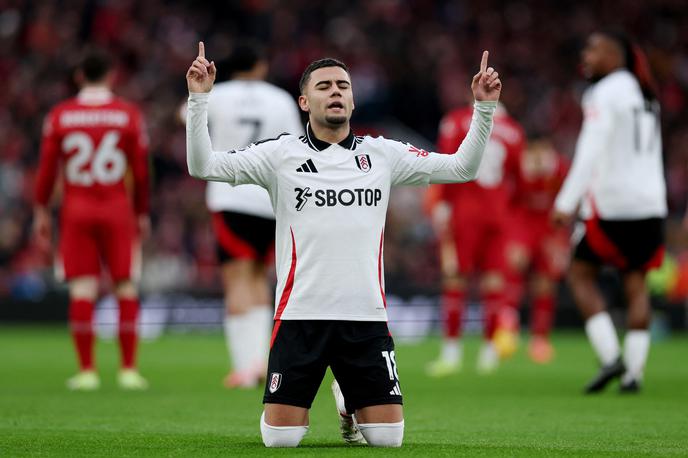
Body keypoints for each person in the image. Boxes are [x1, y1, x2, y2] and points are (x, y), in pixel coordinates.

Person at [186, 42, 501, 447]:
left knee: (388, 439)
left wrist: (484, 108)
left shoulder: (383, 154)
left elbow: (462, 167)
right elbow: (203, 165)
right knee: (280, 440)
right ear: (304, 101)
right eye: (324, 86)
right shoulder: (279, 155)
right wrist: (199, 99)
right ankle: (336, 396)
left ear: (352, 99)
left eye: (343, 85)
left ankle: (346, 401)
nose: (335, 91)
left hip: (365, 319)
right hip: (299, 317)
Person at [552, 30, 666, 393]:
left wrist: (565, 203)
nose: (585, 54)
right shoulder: (646, 94)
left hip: (611, 203)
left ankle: (609, 356)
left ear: (615, 55)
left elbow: (590, 149)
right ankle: (634, 374)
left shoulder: (603, 92)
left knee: (580, 274)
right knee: (636, 285)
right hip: (650, 204)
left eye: (594, 49)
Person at [33, 48, 150, 391]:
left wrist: (41, 209)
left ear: (79, 76)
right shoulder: (128, 114)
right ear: (111, 76)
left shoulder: (60, 115)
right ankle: (128, 370)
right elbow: (140, 172)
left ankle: (87, 372)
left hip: (77, 209)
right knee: (125, 285)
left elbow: (46, 170)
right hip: (117, 208)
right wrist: (142, 212)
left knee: (82, 289)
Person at [201, 43, 304, 388]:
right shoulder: (281, 98)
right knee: (261, 276)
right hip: (269, 199)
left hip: (230, 195)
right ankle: (262, 361)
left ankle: (244, 367)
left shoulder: (218, 94)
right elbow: (294, 144)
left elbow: (184, 117)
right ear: (260, 66)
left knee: (236, 279)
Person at [425, 101, 524, 376]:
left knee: (455, 279)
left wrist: (441, 205)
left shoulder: (455, 121)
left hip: (464, 213)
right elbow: (519, 181)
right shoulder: (514, 131)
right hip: (499, 216)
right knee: (493, 282)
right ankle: (489, 354)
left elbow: (445, 162)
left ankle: (451, 353)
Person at [504, 136, 570, 364]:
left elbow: (569, 198)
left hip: (549, 226)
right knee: (514, 269)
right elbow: (509, 200)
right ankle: (507, 330)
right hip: (523, 222)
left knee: (545, 282)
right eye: (535, 150)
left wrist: (562, 237)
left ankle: (540, 339)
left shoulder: (560, 167)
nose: (540, 156)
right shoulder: (518, 167)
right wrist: (511, 233)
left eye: (544, 150)